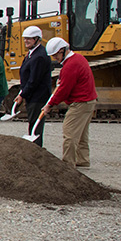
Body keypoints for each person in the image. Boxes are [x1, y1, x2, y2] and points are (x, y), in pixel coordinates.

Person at [42, 37, 97, 167]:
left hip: (80, 103)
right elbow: (65, 83)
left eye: (56, 55)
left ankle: (68, 164)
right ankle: (83, 160)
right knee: (82, 133)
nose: (55, 58)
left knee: (70, 133)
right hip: (88, 101)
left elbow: (64, 90)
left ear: (63, 50)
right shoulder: (78, 58)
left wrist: (49, 104)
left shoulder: (71, 65)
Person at [16, 26, 52, 147]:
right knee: (32, 123)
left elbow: (33, 80)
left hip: (38, 96)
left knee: (35, 125)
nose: (26, 41)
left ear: (37, 39)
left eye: (29, 39)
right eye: (25, 39)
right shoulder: (32, 54)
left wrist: (22, 94)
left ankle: (37, 150)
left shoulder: (39, 56)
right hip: (32, 95)